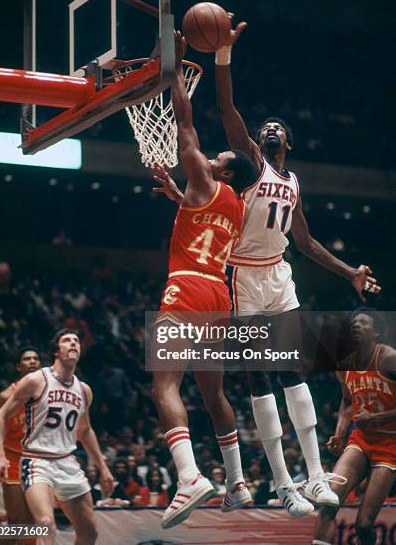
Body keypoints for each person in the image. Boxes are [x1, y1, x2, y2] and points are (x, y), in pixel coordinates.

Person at [212, 19, 381, 516]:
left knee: (293, 371)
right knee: (258, 375)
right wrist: (223, 56)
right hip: (242, 274)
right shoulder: (252, 164)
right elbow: (227, 109)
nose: (269, 128)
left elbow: (304, 242)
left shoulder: (294, 182)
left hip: (278, 275)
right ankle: (283, 484)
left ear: (288, 140)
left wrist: (349, 271)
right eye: (264, 127)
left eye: (277, 128)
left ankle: (313, 477)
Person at [152, 33, 258, 529]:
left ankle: (190, 476)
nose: (212, 156)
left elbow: (185, 124)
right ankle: (237, 483)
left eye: (219, 158)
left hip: (187, 287)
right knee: (213, 394)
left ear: (225, 170)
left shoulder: (204, 178)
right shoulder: (235, 209)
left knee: (165, 386)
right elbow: (203, 219)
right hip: (218, 293)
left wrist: (173, 68)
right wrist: (180, 197)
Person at [0, 328, 114, 545]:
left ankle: (1, 537)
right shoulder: (21, 387)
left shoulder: (83, 390)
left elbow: (85, 431)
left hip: (66, 461)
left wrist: (103, 467)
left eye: (77, 340)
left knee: (88, 532)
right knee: (32, 525)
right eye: (67, 340)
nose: (74, 344)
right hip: (27, 459)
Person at [313, 312, 396, 545]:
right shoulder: (344, 365)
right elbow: (348, 402)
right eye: (353, 323)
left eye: (363, 322)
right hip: (361, 440)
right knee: (328, 504)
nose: (356, 326)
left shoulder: (388, 357)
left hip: (390, 444)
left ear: (375, 332)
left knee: (364, 525)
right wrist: (339, 433)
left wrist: (378, 417)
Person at [0, 347, 41, 545]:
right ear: (19, 366)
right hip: (13, 460)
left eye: (35, 358)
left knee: (34, 523)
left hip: (39, 462)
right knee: (17, 522)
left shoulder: (47, 393)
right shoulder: (6, 396)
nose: (32, 361)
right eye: (27, 359)